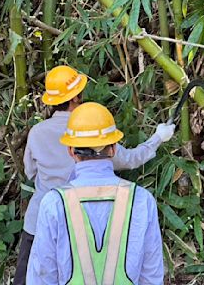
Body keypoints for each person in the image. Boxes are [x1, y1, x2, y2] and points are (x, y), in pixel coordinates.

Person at [13, 66, 173, 284]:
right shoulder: (140, 201)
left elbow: (30, 172)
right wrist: (158, 138)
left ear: (72, 152)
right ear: (112, 148)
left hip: (40, 218)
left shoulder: (37, 133)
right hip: (101, 221)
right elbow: (132, 159)